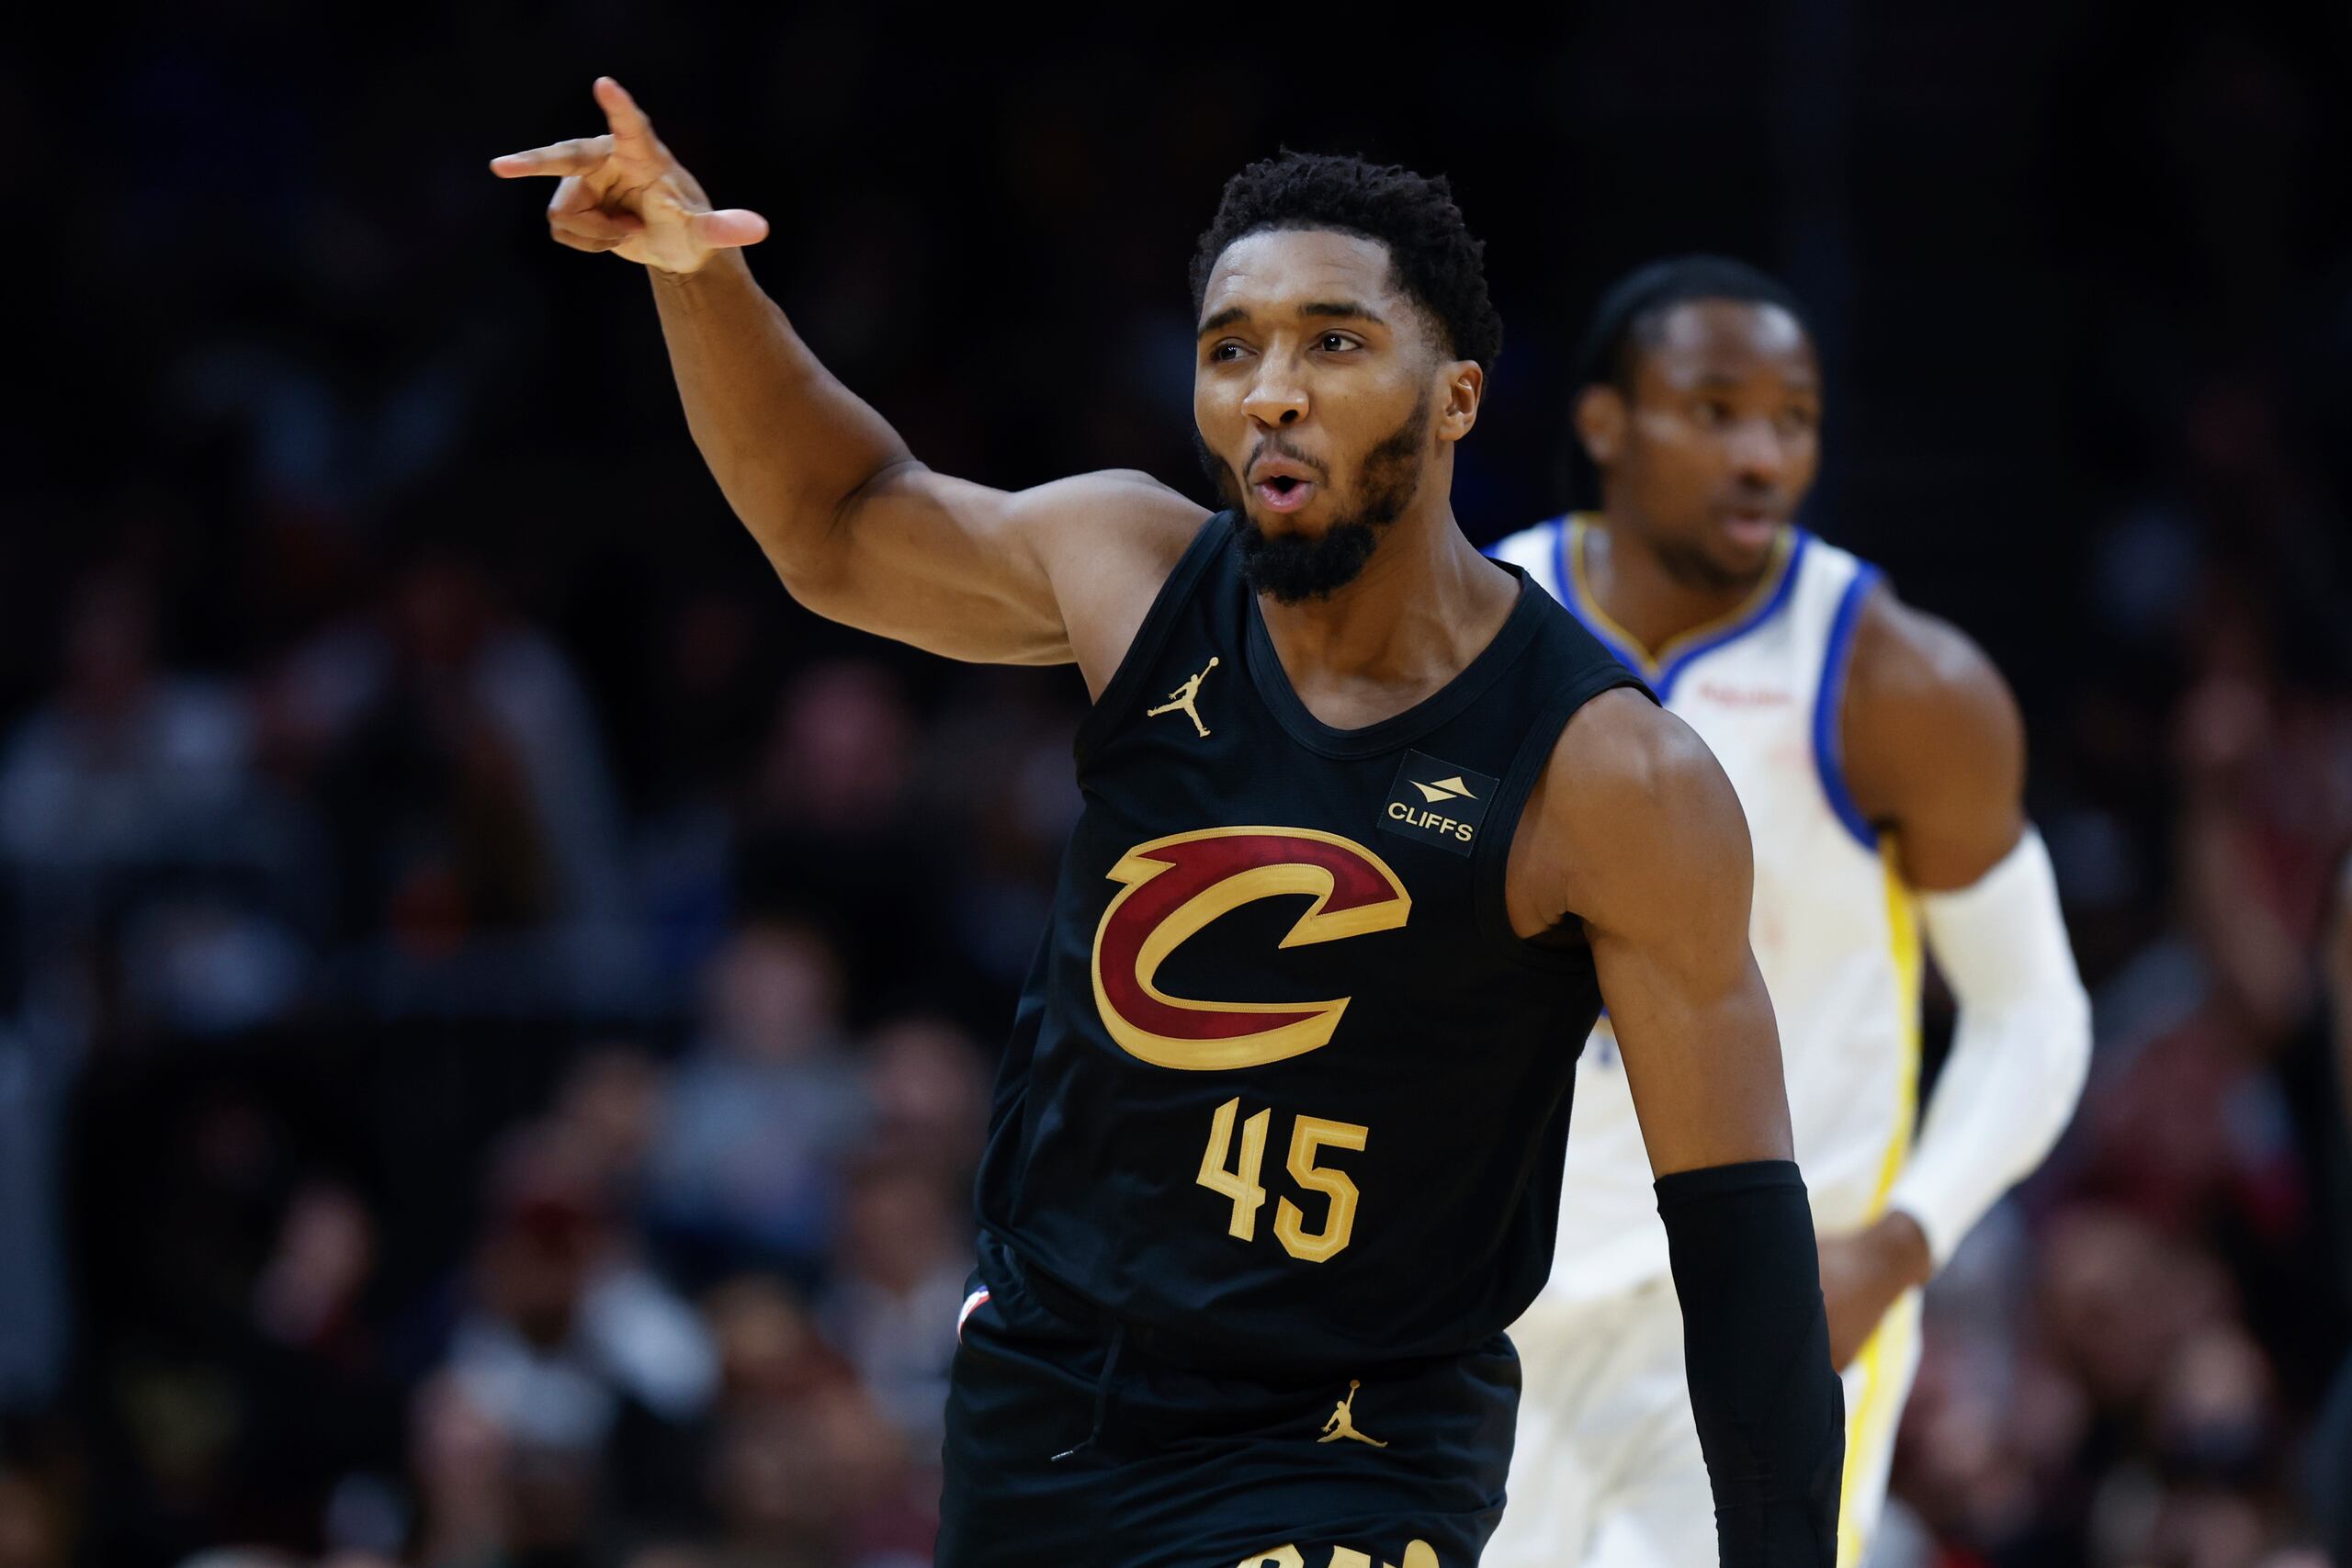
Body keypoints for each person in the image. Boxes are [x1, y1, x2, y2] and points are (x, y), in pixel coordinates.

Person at [493, 87, 1842, 1567]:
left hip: (1351, 1447)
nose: (1271, 386)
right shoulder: (1131, 570)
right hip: (1049, 1400)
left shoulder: (1611, 774)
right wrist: (700, 275)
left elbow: (1743, 1261)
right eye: (1230, 348)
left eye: (1334, 340)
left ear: (1456, 395)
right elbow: (838, 523)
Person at [1483, 256, 2093, 1568]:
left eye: (1793, 419)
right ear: (1604, 423)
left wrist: (1902, 1243)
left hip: (1764, 1301)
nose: (1762, 454)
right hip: (1488, 1295)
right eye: (1715, 412)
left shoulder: (1902, 682)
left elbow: (2033, 1016)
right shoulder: (1471, 632)